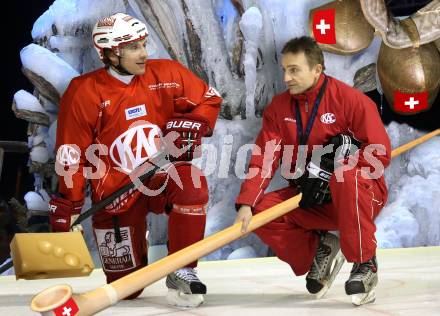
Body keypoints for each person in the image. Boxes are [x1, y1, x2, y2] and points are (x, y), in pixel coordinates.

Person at [48, 13, 222, 307]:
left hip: (160, 173)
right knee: (127, 290)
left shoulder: (166, 74)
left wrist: (194, 124)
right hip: (115, 193)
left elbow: (209, 99)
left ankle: (183, 268)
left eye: (143, 44)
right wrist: (70, 203)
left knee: (192, 183)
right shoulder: (84, 92)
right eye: (133, 47)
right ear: (111, 53)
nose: (144, 53)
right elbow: (71, 153)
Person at [235, 36, 391, 306]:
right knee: (261, 212)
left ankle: (365, 263)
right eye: (284, 69)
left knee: (347, 177)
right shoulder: (279, 109)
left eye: (294, 69)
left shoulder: (350, 101)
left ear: (317, 69)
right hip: (313, 199)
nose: (286, 77)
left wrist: (334, 170)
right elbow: (265, 157)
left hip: (361, 196)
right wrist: (247, 202)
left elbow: (380, 152)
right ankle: (320, 249)